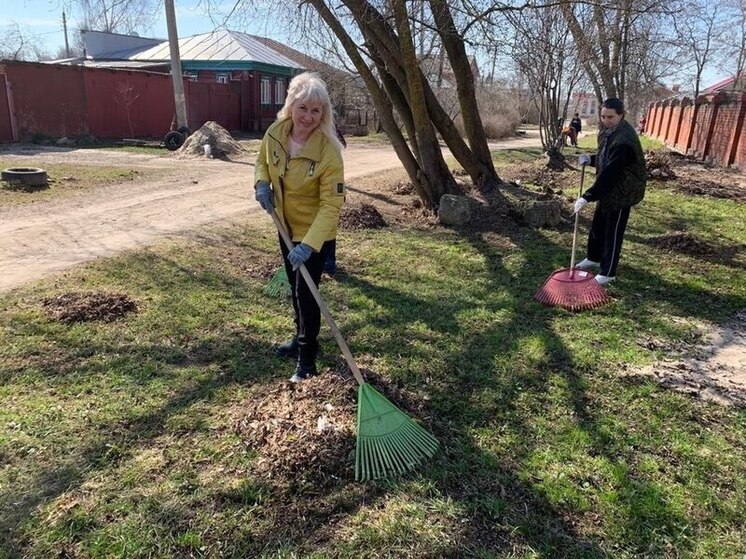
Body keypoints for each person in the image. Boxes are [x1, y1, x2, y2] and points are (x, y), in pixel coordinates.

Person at [254, 72, 345, 382]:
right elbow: (262, 161)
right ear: (291, 106)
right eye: (303, 108)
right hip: (285, 226)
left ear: (324, 114)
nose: (308, 116)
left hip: (313, 234)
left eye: (316, 110)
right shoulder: (276, 133)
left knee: (307, 293)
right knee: (296, 290)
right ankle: (299, 339)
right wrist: (261, 183)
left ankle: (307, 361)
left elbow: (331, 205)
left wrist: (309, 245)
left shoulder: (328, 151)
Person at [573, 98, 647, 286]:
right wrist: (590, 159)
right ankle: (593, 257)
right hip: (609, 188)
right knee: (598, 225)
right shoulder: (609, 132)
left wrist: (587, 196)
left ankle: (607, 272)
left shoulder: (624, 140)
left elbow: (612, 171)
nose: (606, 120)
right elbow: (607, 157)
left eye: (611, 117)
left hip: (623, 190)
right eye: (603, 116)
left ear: (621, 115)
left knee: (612, 231)